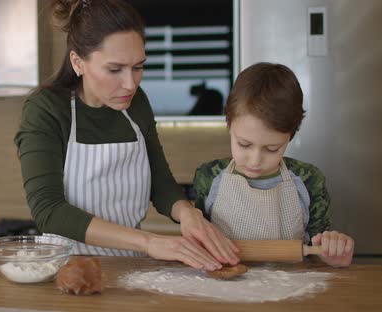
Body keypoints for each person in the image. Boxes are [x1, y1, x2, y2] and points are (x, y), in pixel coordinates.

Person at [14, 0, 239, 271]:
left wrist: (188, 214)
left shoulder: (137, 103)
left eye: (138, 67)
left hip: (130, 266)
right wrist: (149, 242)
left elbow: (160, 181)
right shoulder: (47, 109)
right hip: (66, 269)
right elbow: (49, 210)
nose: (130, 84)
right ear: (77, 62)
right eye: (114, 69)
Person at [193, 62, 355, 267]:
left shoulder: (309, 180)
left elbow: (318, 253)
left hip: (291, 291)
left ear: (290, 136)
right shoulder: (209, 177)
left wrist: (333, 252)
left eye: (272, 149)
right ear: (229, 124)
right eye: (244, 144)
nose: (255, 160)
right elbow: (199, 243)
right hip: (225, 289)